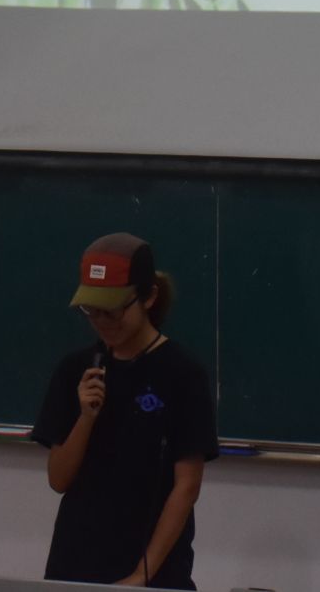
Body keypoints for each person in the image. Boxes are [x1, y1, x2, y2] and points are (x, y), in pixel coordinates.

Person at [31, 232, 217, 588]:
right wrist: (86, 417)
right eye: (91, 311)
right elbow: (58, 479)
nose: (103, 321)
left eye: (113, 310)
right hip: (74, 566)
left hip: (152, 572)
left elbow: (187, 487)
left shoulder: (182, 373)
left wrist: (141, 575)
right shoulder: (75, 370)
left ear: (148, 297)